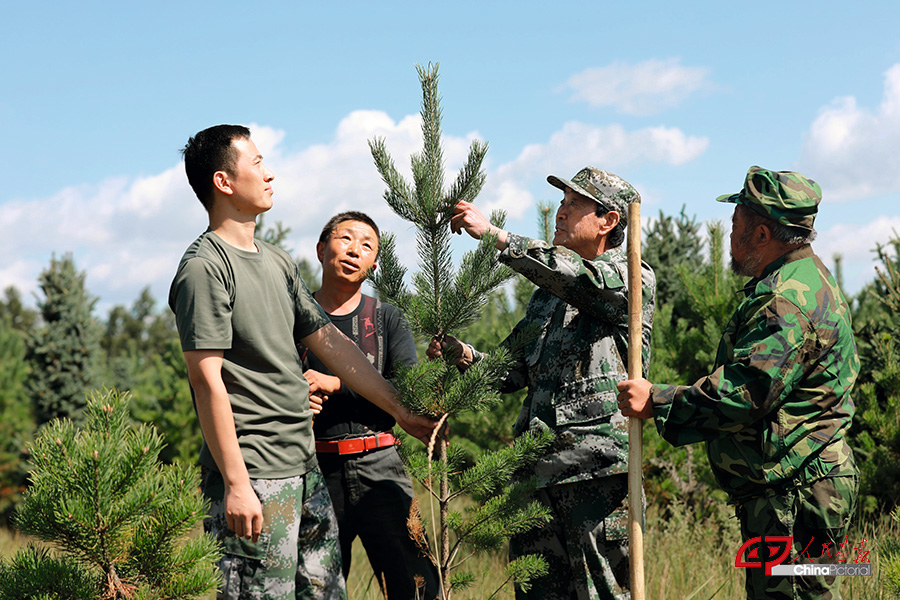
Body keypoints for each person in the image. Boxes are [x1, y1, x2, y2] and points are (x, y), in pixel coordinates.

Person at [168, 125, 436, 599]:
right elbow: (206, 382)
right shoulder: (204, 268)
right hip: (255, 475)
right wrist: (235, 483)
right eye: (256, 164)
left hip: (304, 469)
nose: (269, 174)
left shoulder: (278, 262)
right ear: (223, 182)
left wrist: (403, 411)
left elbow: (334, 345)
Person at [617, 166, 859, 600]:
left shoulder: (785, 299)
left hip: (795, 495)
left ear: (762, 234)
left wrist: (658, 399)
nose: (730, 238)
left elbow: (746, 391)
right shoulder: (806, 278)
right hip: (800, 484)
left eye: (735, 226)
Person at [429, 167, 655, 600]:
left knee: (603, 593)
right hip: (536, 476)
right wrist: (463, 354)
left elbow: (577, 279)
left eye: (575, 204)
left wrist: (496, 235)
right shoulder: (546, 296)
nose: (561, 212)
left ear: (609, 221)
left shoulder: (630, 277)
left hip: (594, 475)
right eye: (562, 203)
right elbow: (509, 371)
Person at [296, 211, 440, 600]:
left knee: (417, 586)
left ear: (375, 264)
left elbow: (408, 392)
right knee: (315, 589)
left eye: (366, 246)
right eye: (345, 239)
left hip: (381, 465)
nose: (354, 251)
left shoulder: (388, 318)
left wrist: (336, 384)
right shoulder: (294, 318)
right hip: (314, 468)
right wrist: (296, 393)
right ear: (321, 248)